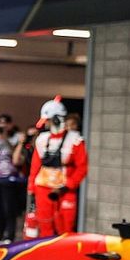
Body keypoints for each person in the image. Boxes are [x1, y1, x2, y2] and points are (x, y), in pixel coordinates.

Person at [27, 98, 88, 236]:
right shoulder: (42, 139)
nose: (46, 124)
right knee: (44, 226)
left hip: (65, 190)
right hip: (43, 190)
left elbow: (82, 167)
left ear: (55, 119)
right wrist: (31, 190)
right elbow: (35, 167)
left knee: (66, 228)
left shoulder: (76, 140)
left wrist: (68, 185)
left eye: (48, 120)